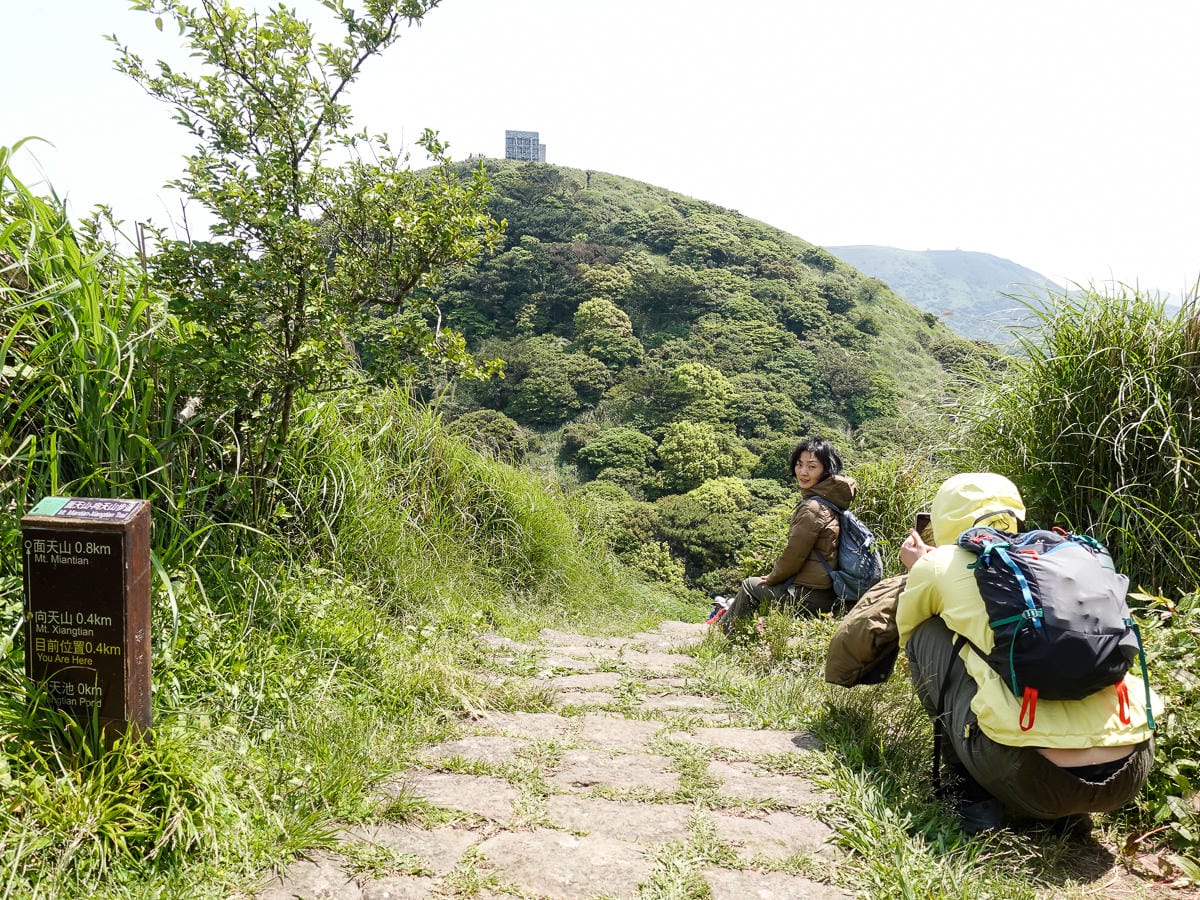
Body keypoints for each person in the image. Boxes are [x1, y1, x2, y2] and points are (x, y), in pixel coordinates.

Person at [897, 472, 1159, 834]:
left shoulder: (939, 562)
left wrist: (918, 570)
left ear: (944, 516)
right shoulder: (1065, 559)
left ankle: (972, 798)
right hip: (1130, 769)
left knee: (926, 633)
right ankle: (1070, 813)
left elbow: (903, 633)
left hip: (1028, 776)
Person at [719, 436, 856, 632]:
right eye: (799, 465)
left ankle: (724, 637)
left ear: (826, 470)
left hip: (809, 596)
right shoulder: (832, 501)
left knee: (750, 585)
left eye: (812, 466)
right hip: (827, 592)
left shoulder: (813, 508)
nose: (803, 472)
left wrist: (773, 577)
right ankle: (742, 634)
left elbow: (794, 555)